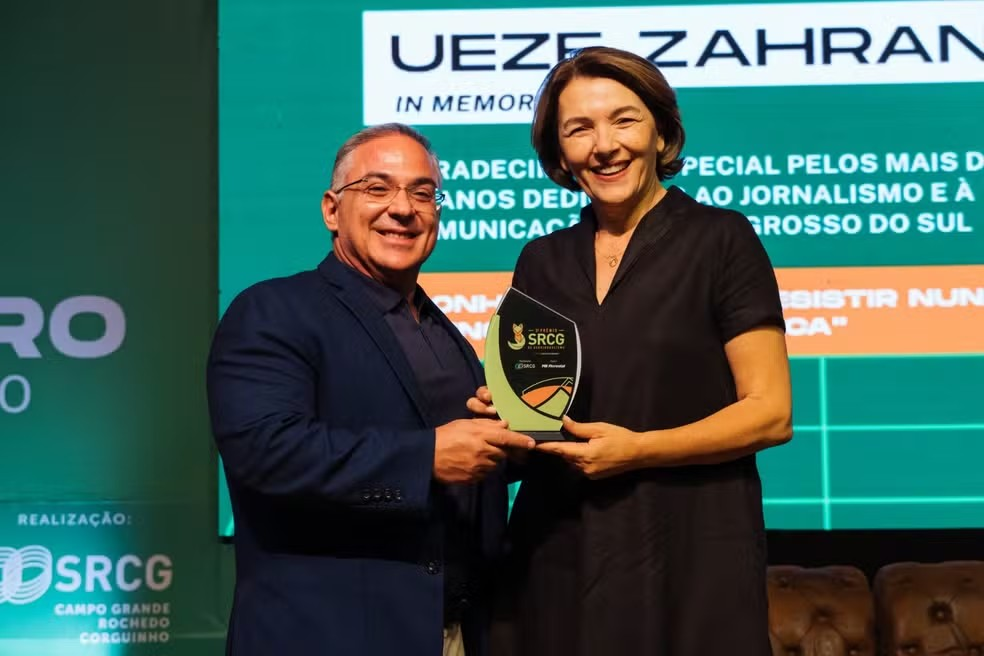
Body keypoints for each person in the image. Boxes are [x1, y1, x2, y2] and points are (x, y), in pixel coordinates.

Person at [479, 47, 793, 655]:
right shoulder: (540, 261)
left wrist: (639, 450)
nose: (604, 146)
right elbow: (536, 420)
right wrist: (506, 416)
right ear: (559, 153)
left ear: (661, 133)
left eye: (623, 120)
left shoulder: (722, 239)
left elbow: (771, 413)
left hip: (687, 552)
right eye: (579, 129)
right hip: (557, 557)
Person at [207, 123, 535, 656]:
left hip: (455, 631)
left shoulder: (442, 330)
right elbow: (266, 452)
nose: (403, 208)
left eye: (422, 193)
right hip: (327, 636)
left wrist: (508, 441)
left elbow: (461, 466)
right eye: (377, 188)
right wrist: (426, 457)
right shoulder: (273, 311)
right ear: (331, 210)